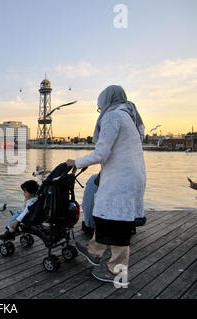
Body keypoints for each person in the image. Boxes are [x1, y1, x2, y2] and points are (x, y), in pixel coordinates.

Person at [66, 85, 146, 285]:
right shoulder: (130, 117)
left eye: (99, 107)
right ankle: (94, 252)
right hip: (128, 176)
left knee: (118, 224)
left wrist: (76, 162)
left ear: (106, 101)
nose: (100, 111)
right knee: (106, 215)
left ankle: (117, 273)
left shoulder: (113, 117)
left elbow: (101, 153)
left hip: (121, 178)